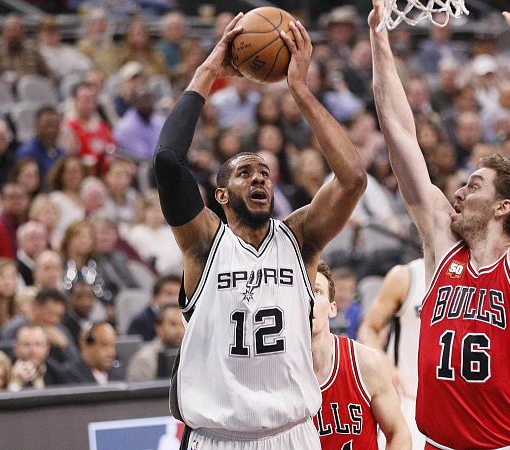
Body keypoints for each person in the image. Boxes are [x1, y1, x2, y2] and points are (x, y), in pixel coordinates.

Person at [156, 15, 366, 448]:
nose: (258, 178)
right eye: (244, 173)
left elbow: (352, 179)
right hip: (218, 437)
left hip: (292, 433)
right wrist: (209, 70)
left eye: (265, 173)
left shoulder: (299, 239)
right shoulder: (204, 244)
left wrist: (300, 90)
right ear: (220, 195)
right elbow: (167, 161)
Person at [370, 0, 510, 447]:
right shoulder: (444, 247)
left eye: (473, 186)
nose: (457, 194)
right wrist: (379, 40)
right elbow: (400, 134)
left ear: (502, 208)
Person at [311, 261, 411, 449]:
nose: (308, 300)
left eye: (316, 291)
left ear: (332, 308)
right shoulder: (275, 372)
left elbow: (399, 434)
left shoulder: (366, 363)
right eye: (301, 291)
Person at [358, 259, 427, 450]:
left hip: (457, 404)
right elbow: (368, 329)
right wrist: (385, 364)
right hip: (408, 398)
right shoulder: (406, 276)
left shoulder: (478, 274)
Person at [126, 304, 185, 382]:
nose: (179, 331)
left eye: (183, 324)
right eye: (173, 324)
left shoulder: (190, 354)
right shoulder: (145, 359)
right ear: (159, 328)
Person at [127, 274, 181, 341]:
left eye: (178, 294)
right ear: (155, 297)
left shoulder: (186, 317)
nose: (174, 299)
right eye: (169, 294)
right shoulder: (140, 322)